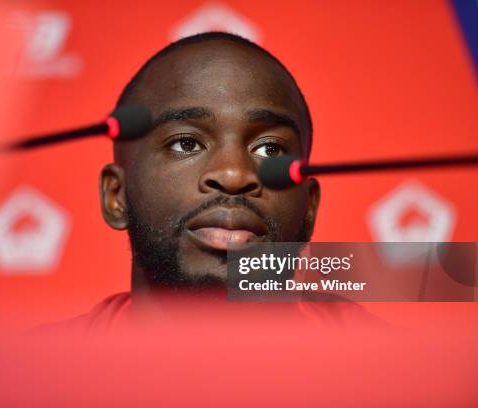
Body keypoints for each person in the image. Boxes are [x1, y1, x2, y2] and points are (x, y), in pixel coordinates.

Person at [43, 31, 374, 333]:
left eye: (269, 148)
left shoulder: (387, 370)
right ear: (116, 196)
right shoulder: (36, 378)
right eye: (186, 144)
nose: (233, 174)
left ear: (310, 206)